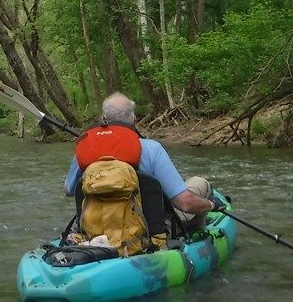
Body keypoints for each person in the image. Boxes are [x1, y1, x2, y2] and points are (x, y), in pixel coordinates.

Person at [64, 92, 221, 237]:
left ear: (104, 120)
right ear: (134, 120)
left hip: (97, 233)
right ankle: (198, 237)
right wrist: (211, 205)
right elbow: (185, 203)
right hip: (150, 232)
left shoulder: (85, 150)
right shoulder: (152, 148)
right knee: (200, 183)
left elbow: (70, 190)